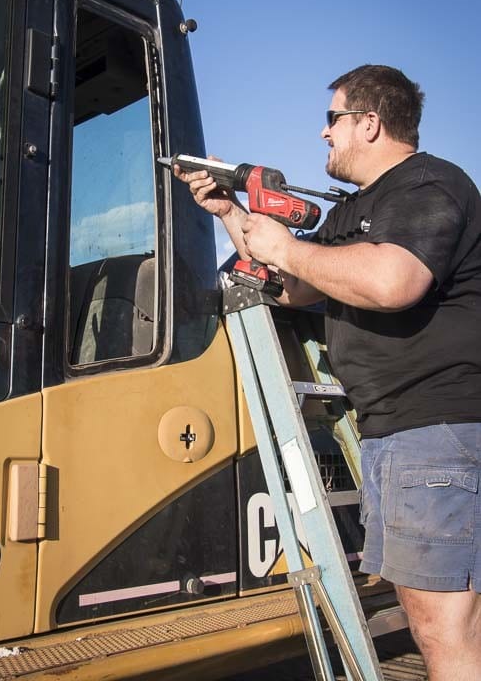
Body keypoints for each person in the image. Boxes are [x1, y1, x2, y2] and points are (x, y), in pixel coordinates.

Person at [174, 64, 481, 680]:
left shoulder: (427, 185)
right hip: (402, 431)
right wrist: (228, 211)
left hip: (433, 426)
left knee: (442, 626)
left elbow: (394, 281)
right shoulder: (357, 211)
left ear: (369, 123)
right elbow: (297, 290)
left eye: (332, 119)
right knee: (446, 620)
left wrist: (286, 245)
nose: (323, 135)